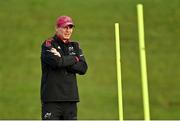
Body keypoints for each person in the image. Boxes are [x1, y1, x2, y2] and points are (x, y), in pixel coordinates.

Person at [40, 15, 88, 120]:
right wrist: (75, 58)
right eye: (64, 27)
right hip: (52, 100)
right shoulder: (48, 44)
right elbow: (57, 62)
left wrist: (64, 61)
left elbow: (83, 68)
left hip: (70, 100)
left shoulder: (76, 45)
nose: (68, 30)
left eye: (70, 27)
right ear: (57, 28)